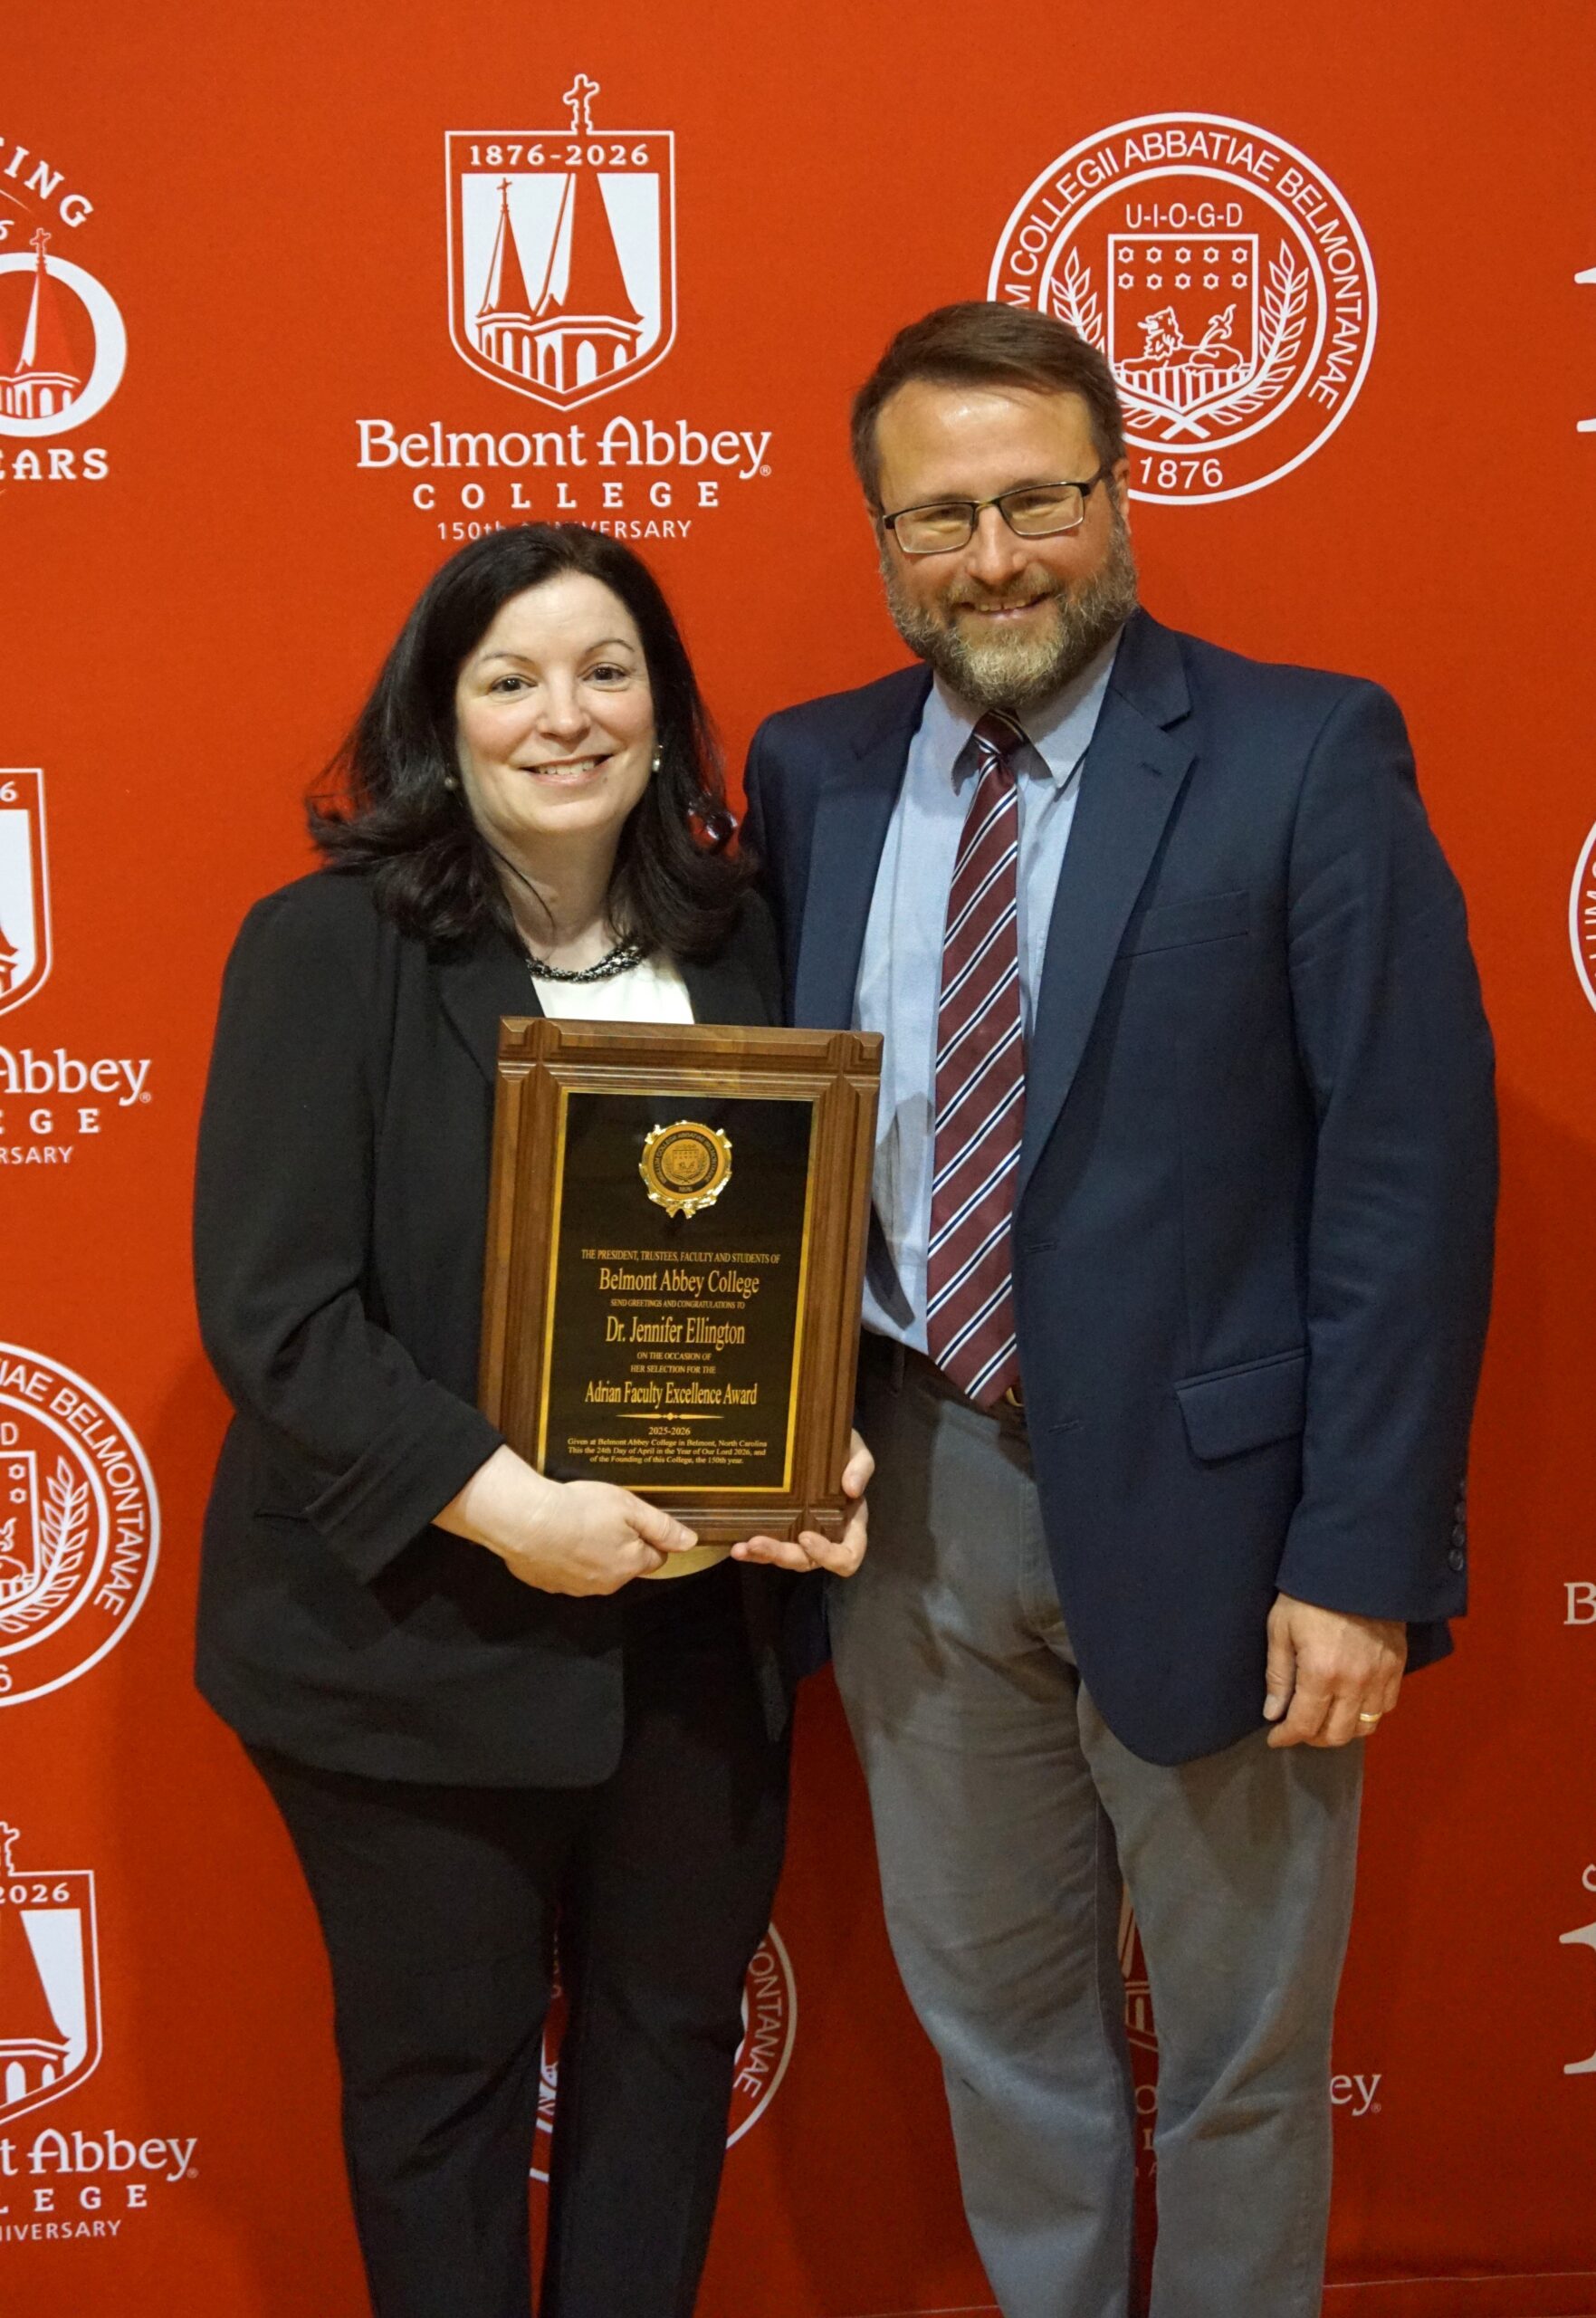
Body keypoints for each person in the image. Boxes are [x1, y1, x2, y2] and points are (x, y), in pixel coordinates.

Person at [741, 302, 1496, 2318]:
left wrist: (1362, 1553)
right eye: (938, 519)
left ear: (1118, 493)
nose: (993, 558)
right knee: (1005, 2046)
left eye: (1035, 502)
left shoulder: (1303, 750)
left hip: (1234, 1519)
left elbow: (1407, 1179)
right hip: (911, 1505)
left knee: (1243, 2068)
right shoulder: (807, 774)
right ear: (881, 537)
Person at [193, 522, 870, 2318]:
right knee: (445, 2094)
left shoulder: (747, 942)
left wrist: (827, 1438)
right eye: (510, 678)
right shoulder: (328, 947)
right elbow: (283, 1317)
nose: (562, 715)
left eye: (606, 670)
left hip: (696, 1647)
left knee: (665, 2063)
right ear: (442, 717)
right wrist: (508, 1505)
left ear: (663, 711)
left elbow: (801, 1260)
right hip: (408, 1644)